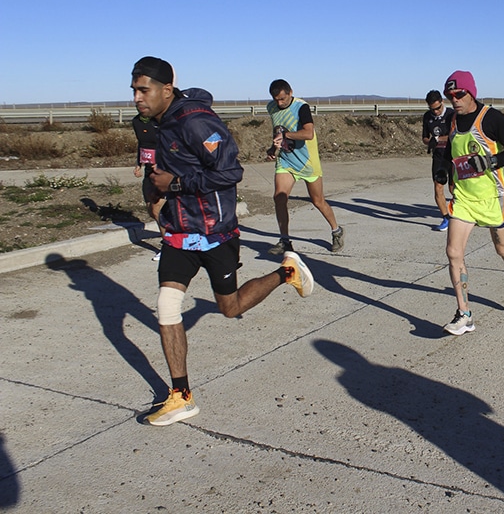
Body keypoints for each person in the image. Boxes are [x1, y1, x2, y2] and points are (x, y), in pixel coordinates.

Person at [131, 57, 314, 426]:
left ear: (167, 90)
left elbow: (231, 172)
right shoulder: (154, 125)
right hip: (181, 233)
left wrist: (176, 185)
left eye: (143, 90)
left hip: (216, 232)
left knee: (229, 307)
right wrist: (155, 195)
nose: (137, 98)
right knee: (167, 305)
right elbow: (163, 172)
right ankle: (181, 395)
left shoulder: (196, 121)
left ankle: (286, 272)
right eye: (134, 90)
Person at [438, 70, 504, 335]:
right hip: (464, 198)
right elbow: (447, 152)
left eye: (459, 94)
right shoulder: (451, 121)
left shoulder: (491, 118)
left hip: (493, 198)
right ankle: (464, 314)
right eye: (449, 96)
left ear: (471, 93)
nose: (454, 100)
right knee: (453, 252)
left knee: (502, 249)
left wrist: (490, 162)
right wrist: (443, 173)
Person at [265, 79, 344, 254]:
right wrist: (273, 147)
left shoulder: (301, 107)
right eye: (276, 99)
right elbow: (278, 129)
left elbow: (308, 133)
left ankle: (336, 231)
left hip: (307, 162)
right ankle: (285, 240)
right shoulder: (271, 107)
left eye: (283, 99)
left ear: (290, 92)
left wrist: (286, 135)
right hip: (286, 160)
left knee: (318, 201)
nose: (279, 103)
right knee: (279, 198)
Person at [132, 110, 165, 261]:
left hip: (163, 170)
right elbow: (141, 143)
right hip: (148, 170)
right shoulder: (136, 122)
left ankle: (168, 247)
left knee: (157, 209)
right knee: (150, 209)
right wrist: (138, 163)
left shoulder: (159, 120)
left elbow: (170, 143)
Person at [422, 89, 454, 231]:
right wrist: (430, 142)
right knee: (438, 187)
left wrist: (439, 138)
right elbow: (424, 138)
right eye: (432, 109)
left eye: (437, 108)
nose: (435, 112)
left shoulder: (452, 115)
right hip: (438, 157)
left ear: (442, 102)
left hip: (453, 155)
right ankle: (446, 217)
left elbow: (456, 135)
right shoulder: (427, 117)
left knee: (454, 189)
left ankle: (462, 214)